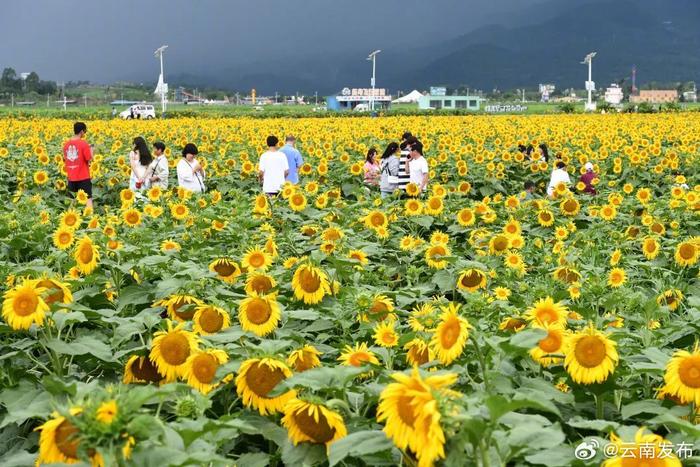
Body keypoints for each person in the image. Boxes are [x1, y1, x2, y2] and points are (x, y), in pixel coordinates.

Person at [63, 121, 94, 210]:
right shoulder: (83, 144)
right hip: (83, 177)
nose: (84, 134)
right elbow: (89, 159)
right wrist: (91, 150)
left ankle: (72, 217)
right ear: (81, 131)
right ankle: (90, 218)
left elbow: (66, 160)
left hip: (71, 178)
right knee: (88, 199)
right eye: (85, 131)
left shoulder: (66, 145)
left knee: (72, 201)